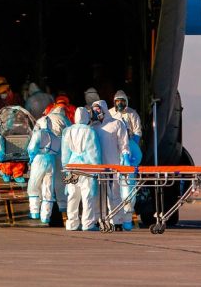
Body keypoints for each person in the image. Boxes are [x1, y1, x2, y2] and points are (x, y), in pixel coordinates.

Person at [90, 100, 132, 230]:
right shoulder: (94, 127)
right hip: (98, 166)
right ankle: (100, 220)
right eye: (94, 110)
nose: (96, 112)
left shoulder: (116, 124)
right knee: (98, 195)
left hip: (113, 165)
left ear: (104, 108)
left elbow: (123, 144)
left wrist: (125, 157)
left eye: (98, 109)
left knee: (114, 194)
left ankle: (117, 221)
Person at [26, 106, 71, 223]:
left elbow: (31, 148)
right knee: (49, 187)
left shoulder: (39, 131)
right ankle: (46, 215)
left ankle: (35, 212)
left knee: (34, 186)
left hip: (38, 160)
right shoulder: (61, 127)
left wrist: (31, 158)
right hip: (52, 160)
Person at [61, 107, 102, 231]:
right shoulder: (90, 131)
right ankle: (88, 223)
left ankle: (71, 223)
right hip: (87, 168)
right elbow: (93, 151)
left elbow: (65, 152)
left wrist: (65, 167)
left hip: (72, 166)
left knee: (72, 195)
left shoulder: (67, 131)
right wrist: (97, 169)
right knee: (87, 195)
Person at [109, 90, 143, 229]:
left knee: (129, 190)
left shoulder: (132, 114)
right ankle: (115, 220)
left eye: (122, 101)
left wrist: (131, 146)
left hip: (128, 150)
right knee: (113, 189)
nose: (120, 103)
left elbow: (137, 131)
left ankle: (127, 219)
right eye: (117, 101)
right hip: (114, 152)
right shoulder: (110, 113)